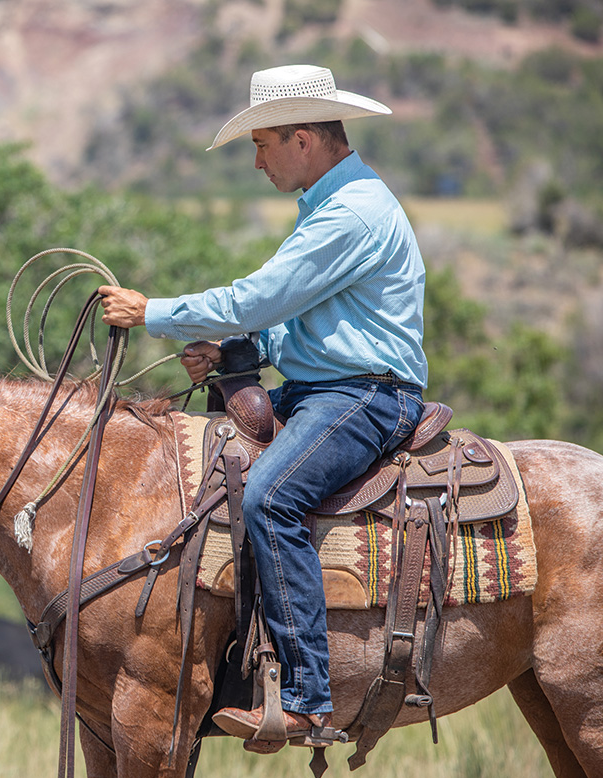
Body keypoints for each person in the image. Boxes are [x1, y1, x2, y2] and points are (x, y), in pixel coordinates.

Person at [99, 64, 428, 742]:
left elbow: (261, 297)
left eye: (262, 144)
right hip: (325, 388)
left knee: (270, 498)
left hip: (364, 396)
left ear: (302, 139)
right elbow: (292, 320)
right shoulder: (331, 206)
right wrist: (229, 352)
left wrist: (154, 311)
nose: (255, 162)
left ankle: (309, 695)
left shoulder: (352, 213)